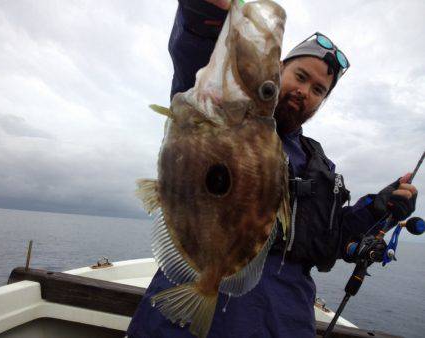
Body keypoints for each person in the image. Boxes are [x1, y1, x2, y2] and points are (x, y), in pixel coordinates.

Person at [128, 1, 418, 337]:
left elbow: (329, 240)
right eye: (300, 76)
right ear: (276, 69)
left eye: (318, 90)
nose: (304, 92)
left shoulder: (319, 165)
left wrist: (378, 209)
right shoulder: (220, 106)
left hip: (281, 321)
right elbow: (199, 52)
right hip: (183, 318)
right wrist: (205, 13)